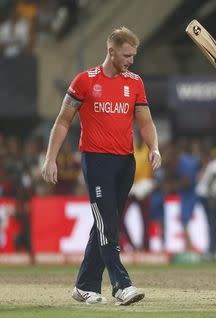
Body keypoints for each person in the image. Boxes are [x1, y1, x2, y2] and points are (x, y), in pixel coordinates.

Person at [41, 27, 161, 306]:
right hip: (96, 161)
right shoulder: (84, 81)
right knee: (107, 220)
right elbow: (62, 121)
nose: (131, 61)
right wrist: (50, 158)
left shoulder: (135, 82)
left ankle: (85, 285)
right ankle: (121, 284)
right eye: (127, 55)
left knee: (106, 222)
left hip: (125, 162)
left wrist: (154, 147)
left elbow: (145, 121)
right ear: (111, 51)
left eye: (134, 55)